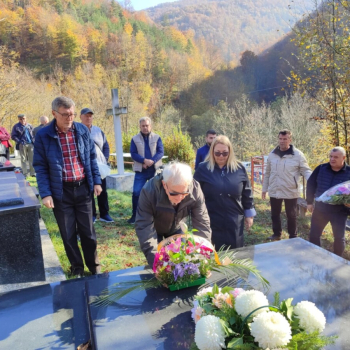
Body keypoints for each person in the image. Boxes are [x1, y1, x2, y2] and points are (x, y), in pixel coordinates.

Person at [33, 96, 102, 277]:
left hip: (83, 189)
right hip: (60, 192)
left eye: (72, 114)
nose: (69, 118)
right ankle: (77, 267)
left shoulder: (81, 130)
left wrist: (96, 181)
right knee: (68, 233)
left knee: (88, 232)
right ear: (54, 114)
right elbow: (40, 166)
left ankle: (94, 267)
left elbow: (91, 158)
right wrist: (46, 193)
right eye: (65, 115)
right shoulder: (43, 135)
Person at [135, 162, 212, 266]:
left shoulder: (195, 190)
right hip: (154, 229)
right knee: (160, 264)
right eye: (174, 193)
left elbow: (202, 223)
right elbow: (144, 226)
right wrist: (157, 263)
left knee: (180, 263)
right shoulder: (149, 191)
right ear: (164, 184)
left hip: (177, 227)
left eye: (184, 193)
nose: (179, 198)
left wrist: (203, 255)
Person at [194, 135, 255, 249]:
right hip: (211, 219)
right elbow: (194, 194)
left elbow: (247, 192)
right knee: (213, 253)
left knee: (235, 254)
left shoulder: (239, 168)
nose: (221, 156)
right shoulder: (203, 169)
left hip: (234, 220)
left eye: (224, 153)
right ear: (212, 152)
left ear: (230, 152)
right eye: (217, 153)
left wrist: (249, 215)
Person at [262, 129, 312, 241]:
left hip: (291, 190)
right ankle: (276, 234)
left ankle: (293, 236)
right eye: (280, 139)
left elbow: (306, 170)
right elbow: (268, 173)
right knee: (275, 214)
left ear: (290, 139)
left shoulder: (298, 155)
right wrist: (264, 188)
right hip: (275, 189)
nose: (282, 141)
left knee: (291, 215)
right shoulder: (272, 154)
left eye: (285, 139)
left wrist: (313, 180)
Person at [307, 147, 350, 257]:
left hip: (340, 211)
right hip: (321, 210)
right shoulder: (321, 168)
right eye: (331, 156)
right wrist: (309, 202)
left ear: (343, 158)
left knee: (339, 238)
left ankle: (337, 259)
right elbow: (311, 183)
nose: (332, 159)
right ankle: (315, 257)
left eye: (336, 157)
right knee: (314, 235)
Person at [128, 116, 164, 224]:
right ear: (140, 126)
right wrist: (144, 161)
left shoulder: (157, 138)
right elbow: (133, 153)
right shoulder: (135, 139)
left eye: (147, 125)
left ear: (150, 126)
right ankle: (135, 215)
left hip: (155, 170)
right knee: (136, 192)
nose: (145, 128)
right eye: (143, 126)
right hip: (141, 171)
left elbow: (160, 152)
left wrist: (151, 161)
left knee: (157, 193)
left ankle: (157, 216)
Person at [80, 107, 113, 223]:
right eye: (86, 116)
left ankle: (104, 214)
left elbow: (106, 146)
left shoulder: (98, 130)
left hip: (100, 165)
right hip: (85, 166)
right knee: (89, 191)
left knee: (102, 190)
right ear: (81, 117)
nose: (88, 118)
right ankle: (92, 214)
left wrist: (105, 158)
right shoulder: (77, 130)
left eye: (90, 116)